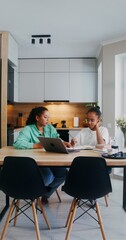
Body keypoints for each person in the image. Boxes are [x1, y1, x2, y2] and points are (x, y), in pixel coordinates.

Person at [13, 106, 71, 203]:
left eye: (48, 117)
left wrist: (66, 143)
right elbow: (18, 143)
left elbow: (57, 139)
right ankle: (37, 192)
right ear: (37, 118)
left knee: (64, 174)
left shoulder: (50, 128)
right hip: (36, 162)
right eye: (45, 117)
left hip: (52, 160)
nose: (48, 119)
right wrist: (36, 145)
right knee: (48, 178)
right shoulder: (28, 129)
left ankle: (45, 194)